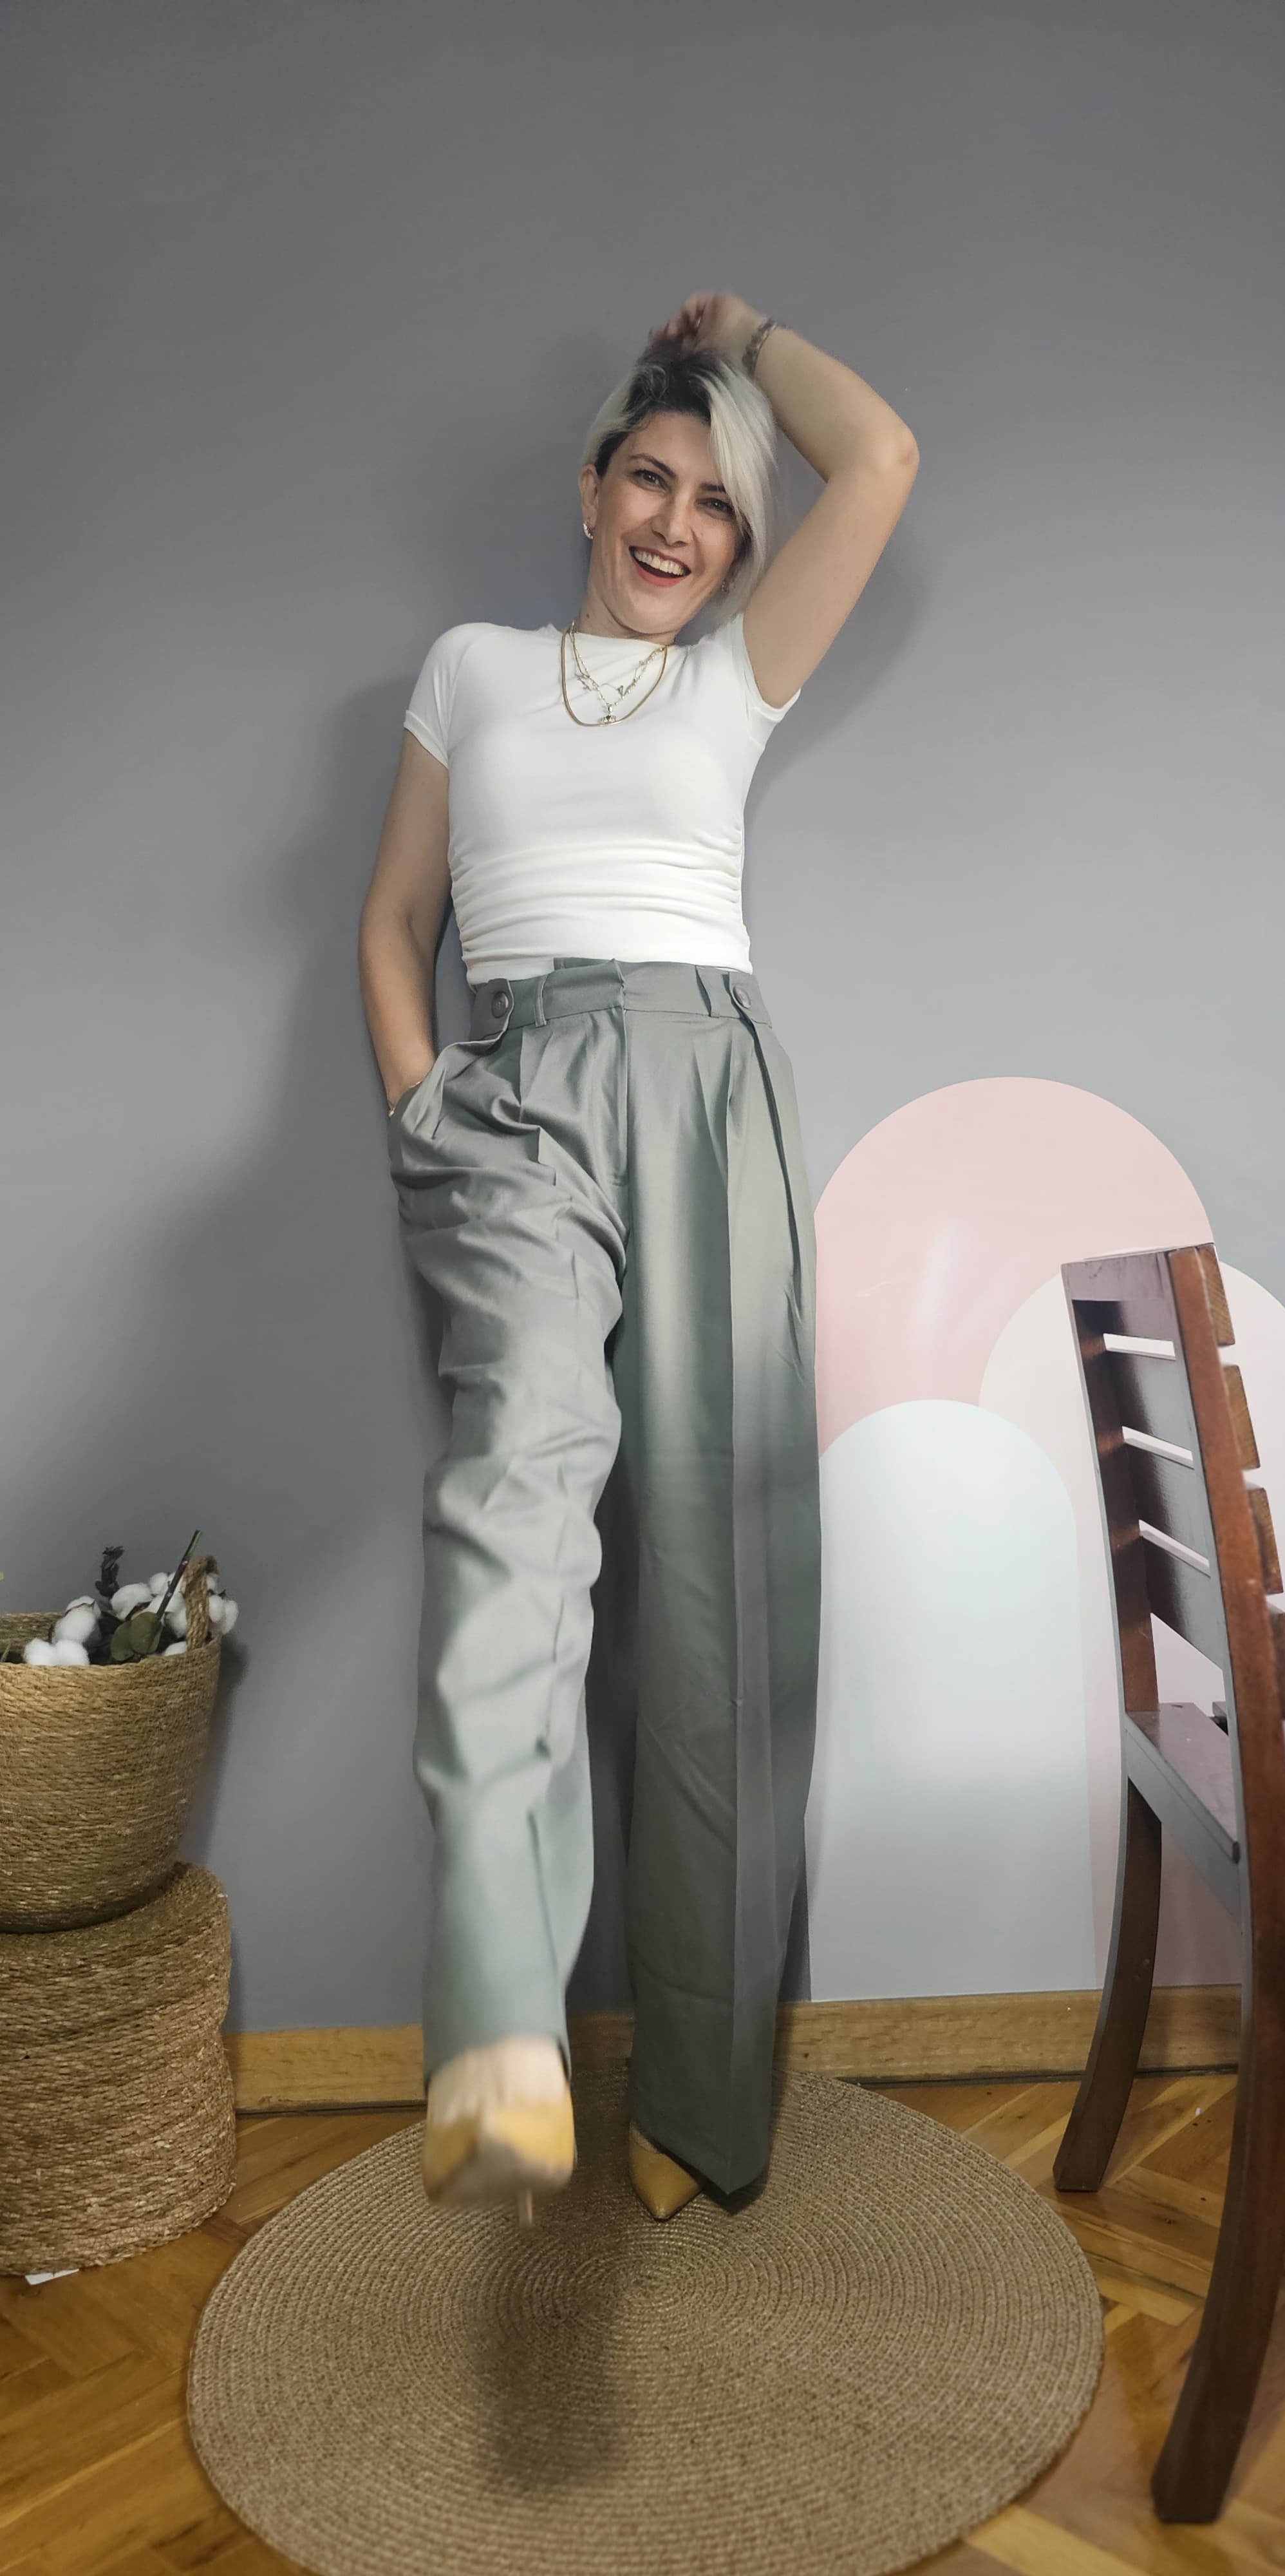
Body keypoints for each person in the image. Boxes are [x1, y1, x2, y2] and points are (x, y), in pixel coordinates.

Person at [359, 289, 917, 2226]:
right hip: (513, 1097)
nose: (677, 523)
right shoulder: (475, 670)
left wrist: (746, 332)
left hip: (702, 1097)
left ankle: (697, 2099)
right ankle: (500, 2031)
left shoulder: (736, 681)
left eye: (716, 502)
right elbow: (395, 920)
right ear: (592, 487)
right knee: (513, 1507)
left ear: (742, 544)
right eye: (651, 479)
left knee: (710, 1594)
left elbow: (883, 458)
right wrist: (425, 1103)